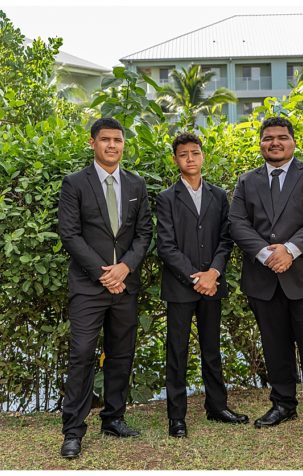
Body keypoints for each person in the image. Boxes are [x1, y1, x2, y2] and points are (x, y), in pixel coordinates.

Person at [229, 116, 303, 437]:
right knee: (274, 344)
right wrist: (268, 254)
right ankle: (283, 403)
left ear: (293, 142)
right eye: (268, 138)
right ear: (261, 143)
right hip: (265, 279)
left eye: (282, 137)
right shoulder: (246, 182)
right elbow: (237, 223)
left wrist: (290, 250)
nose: (275, 142)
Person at [56, 117, 152, 459]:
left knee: (121, 353)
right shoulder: (75, 183)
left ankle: (114, 418)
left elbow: (144, 234)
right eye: (106, 139)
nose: (112, 145)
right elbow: (70, 234)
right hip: (88, 286)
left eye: (118, 140)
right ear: (93, 143)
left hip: (125, 284)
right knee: (82, 354)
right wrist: (103, 273)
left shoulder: (136, 184)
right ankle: (73, 430)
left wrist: (124, 268)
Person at [155, 132, 247, 438]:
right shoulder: (166, 198)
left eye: (195, 153)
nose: (190, 158)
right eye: (183, 154)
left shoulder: (219, 196)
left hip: (213, 284)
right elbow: (166, 246)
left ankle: (217, 406)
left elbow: (226, 238)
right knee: (177, 351)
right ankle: (176, 416)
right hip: (182, 287)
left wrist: (214, 273)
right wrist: (196, 277)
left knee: (212, 349)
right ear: (175, 159)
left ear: (202, 155)